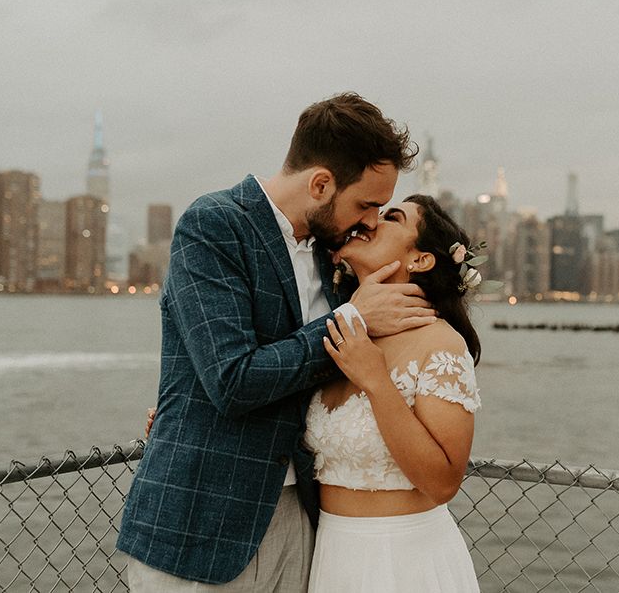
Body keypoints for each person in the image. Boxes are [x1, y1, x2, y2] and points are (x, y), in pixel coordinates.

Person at [116, 93, 436, 591]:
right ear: (321, 183)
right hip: (199, 521)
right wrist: (353, 320)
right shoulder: (214, 225)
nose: (372, 220)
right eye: (366, 204)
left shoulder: (337, 257)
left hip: (300, 519)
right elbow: (231, 379)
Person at [302, 194, 483, 592]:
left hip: (404, 560)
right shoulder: (335, 331)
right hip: (330, 555)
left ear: (420, 259)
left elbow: (442, 483)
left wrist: (376, 380)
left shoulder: (440, 345)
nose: (370, 222)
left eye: (391, 218)